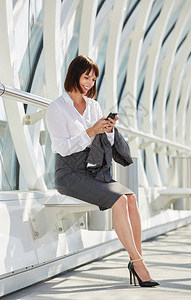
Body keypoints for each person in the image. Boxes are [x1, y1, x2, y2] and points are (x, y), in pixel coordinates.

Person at [46, 55, 159, 287]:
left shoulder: (94, 105)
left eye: (93, 79)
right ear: (74, 74)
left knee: (130, 198)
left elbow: (104, 142)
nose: (89, 83)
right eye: (86, 77)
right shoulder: (57, 108)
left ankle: (136, 258)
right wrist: (90, 131)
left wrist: (107, 129)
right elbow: (61, 148)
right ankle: (138, 263)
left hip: (94, 170)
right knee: (119, 201)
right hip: (70, 174)